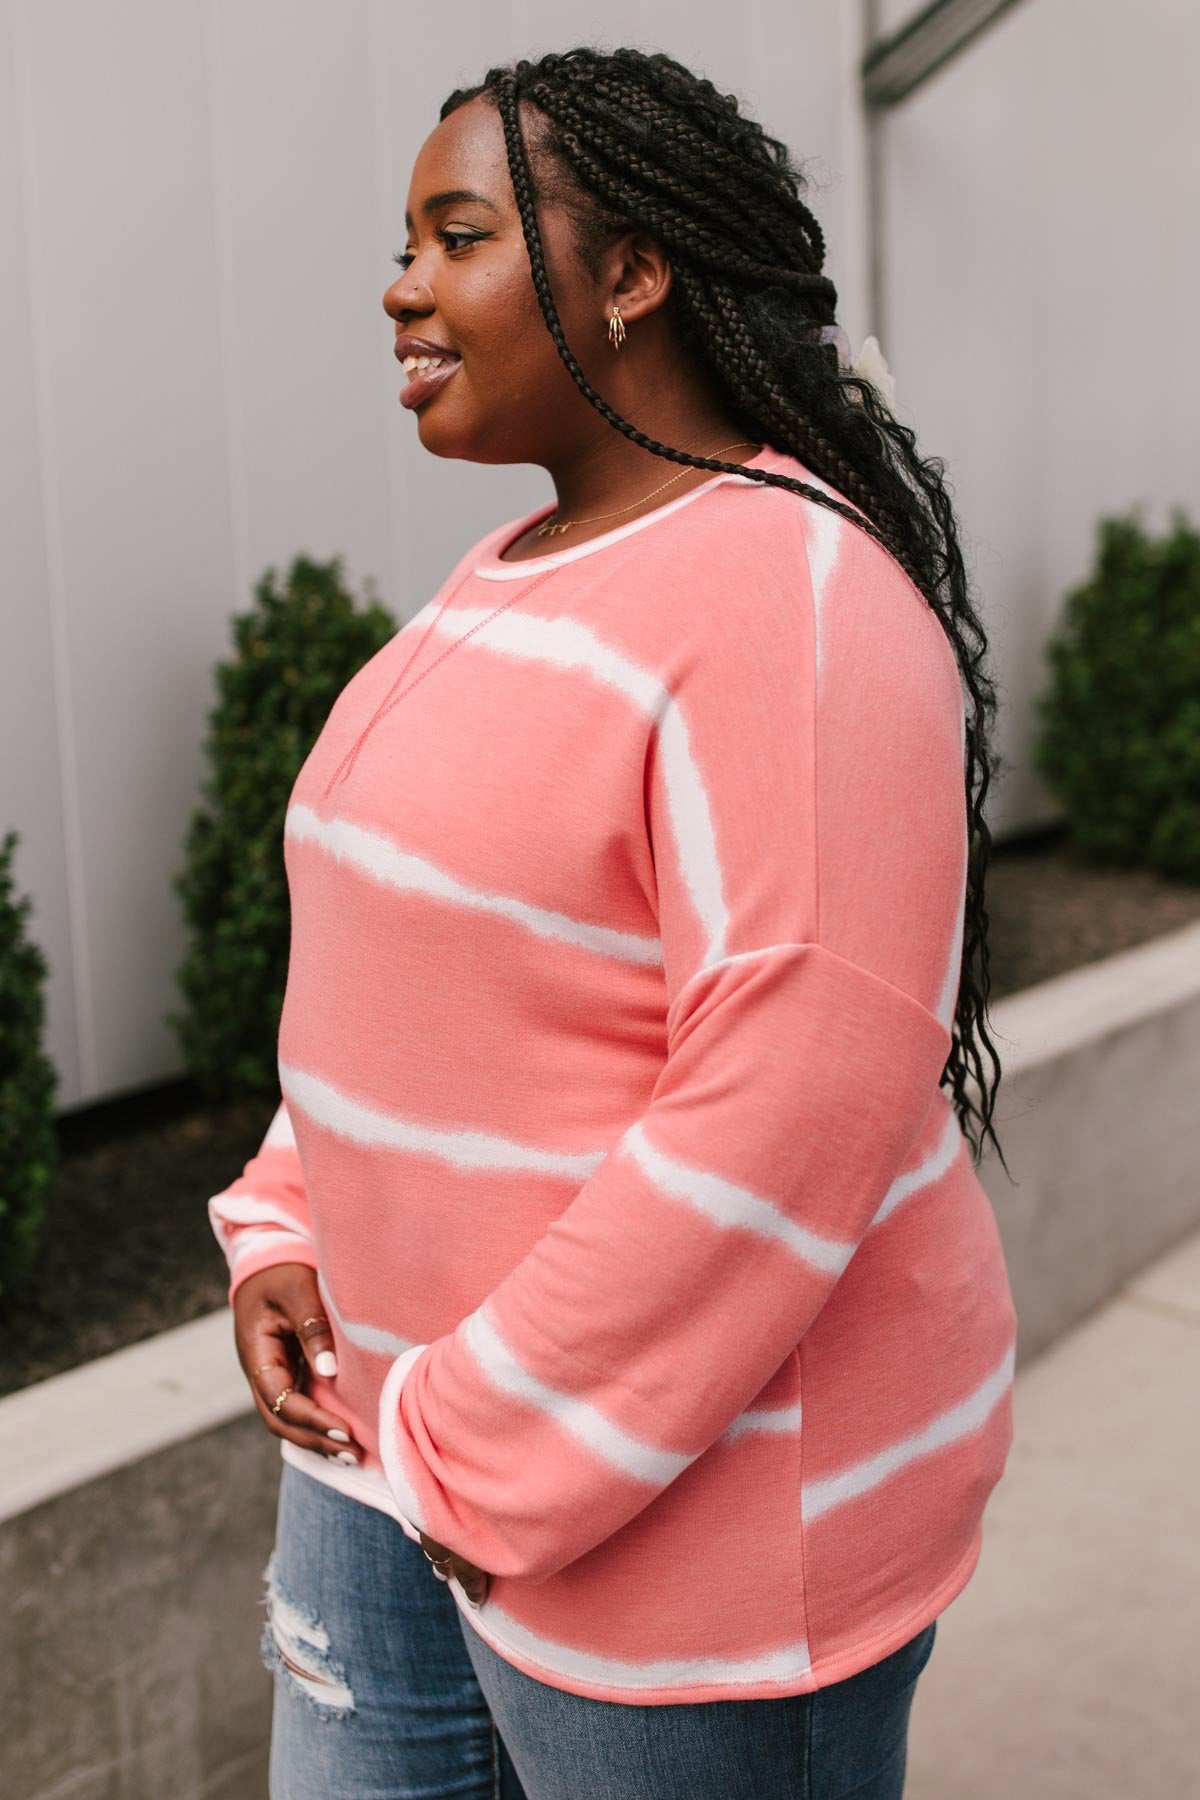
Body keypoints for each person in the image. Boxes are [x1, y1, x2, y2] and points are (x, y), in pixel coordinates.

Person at [208, 45, 1018, 1800]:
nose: (400, 284)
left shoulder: (797, 606)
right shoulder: (506, 571)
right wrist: (287, 1219)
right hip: (386, 1451)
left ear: (634, 274)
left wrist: (465, 1440)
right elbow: (404, 975)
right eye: (408, 239)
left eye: (460, 235)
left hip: (677, 1532)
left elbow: (790, 1108)